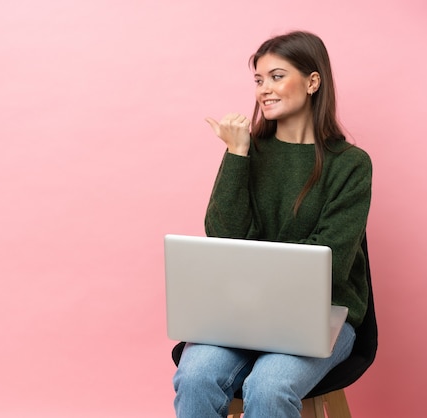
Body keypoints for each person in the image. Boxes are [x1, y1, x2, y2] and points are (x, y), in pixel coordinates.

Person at [172, 31, 372, 418]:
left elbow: (329, 259)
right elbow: (223, 239)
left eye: (277, 76)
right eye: (259, 80)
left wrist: (256, 273)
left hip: (320, 315)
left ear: (313, 82)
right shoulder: (248, 151)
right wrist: (237, 153)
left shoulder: (350, 164)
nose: (264, 89)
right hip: (239, 315)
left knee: (270, 386)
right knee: (195, 377)